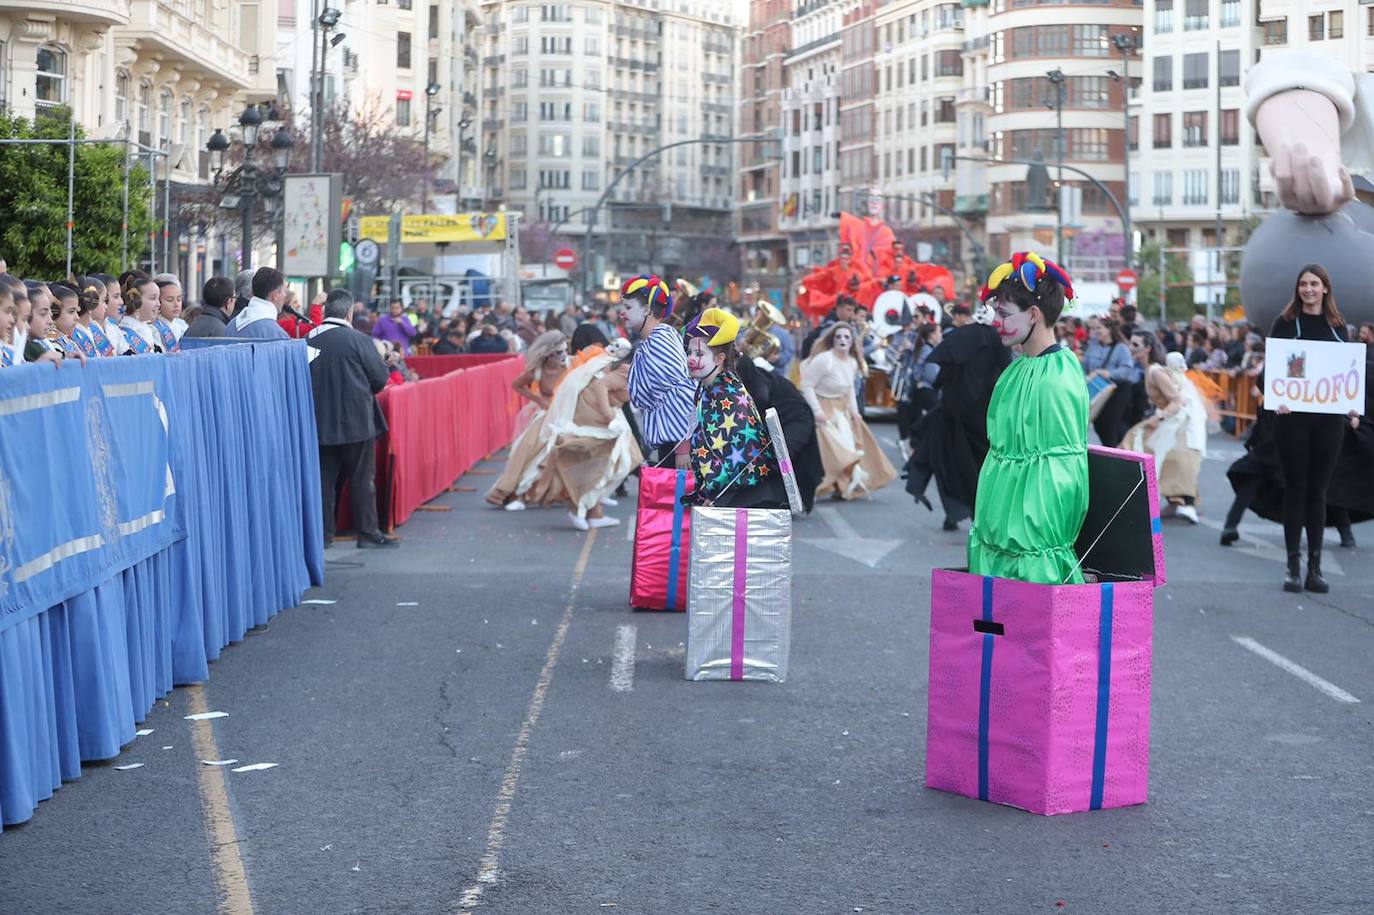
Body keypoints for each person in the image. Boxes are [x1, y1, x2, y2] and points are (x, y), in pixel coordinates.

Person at [967, 252, 1088, 585]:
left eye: (1004, 313)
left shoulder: (1057, 377)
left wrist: (1030, 537)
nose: (995, 322)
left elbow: (1060, 469)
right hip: (1001, 529)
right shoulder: (1019, 367)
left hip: (1031, 541)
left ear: (1034, 314)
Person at [1267, 264, 1360, 593]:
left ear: (1325, 288)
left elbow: (1346, 372)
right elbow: (1276, 367)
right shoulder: (1285, 323)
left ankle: (1315, 568)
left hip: (1328, 422)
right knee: (1296, 490)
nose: (1308, 289)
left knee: (1318, 492)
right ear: (1298, 289)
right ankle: (1293, 565)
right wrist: (1277, 395)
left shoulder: (1338, 326)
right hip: (1291, 419)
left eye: (1314, 284)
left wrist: (1351, 401)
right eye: (1303, 284)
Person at [306, 289, 399, 549]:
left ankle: (322, 536)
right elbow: (379, 380)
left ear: (326, 312)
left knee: (323, 482)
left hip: (318, 422)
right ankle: (367, 533)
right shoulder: (359, 340)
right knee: (361, 480)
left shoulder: (308, 339)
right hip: (357, 422)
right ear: (349, 313)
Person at [905, 303, 1010, 530]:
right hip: (983, 413)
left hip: (953, 410)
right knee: (980, 464)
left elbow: (941, 374)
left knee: (950, 460)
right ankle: (974, 510)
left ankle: (954, 511)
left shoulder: (958, 336)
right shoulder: (997, 340)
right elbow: (1006, 372)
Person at [682, 307, 786, 509]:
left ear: (719, 359)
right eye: (689, 352)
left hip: (739, 497)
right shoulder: (709, 387)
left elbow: (741, 456)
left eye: (699, 353)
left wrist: (717, 497)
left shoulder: (726, 393)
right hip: (724, 492)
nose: (690, 359)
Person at [800, 322, 897, 500]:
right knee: (835, 453)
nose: (842, 340)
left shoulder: (852, 363)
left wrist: (854, 411)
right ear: (832, 340)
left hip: (841, 409)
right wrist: (817, 411)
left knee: (848, 449)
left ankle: (842, 487)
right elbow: (807, 385)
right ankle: (823, 486)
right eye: (838, 337)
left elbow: (850, 388)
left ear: (852, 341)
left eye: (846, 337)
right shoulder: (825, 360)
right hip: (824, 409)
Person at [1120, 344, 1208, 524]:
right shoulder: (1152, 370)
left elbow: (1178, 400)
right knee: (1165, 456)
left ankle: (1184, 503)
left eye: (1137, 345)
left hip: (1181, 420)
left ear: (1148, 349)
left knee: (1148, 448)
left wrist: (1159, 417)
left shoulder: (1155, 372)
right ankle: (1175, 502)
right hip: (1175, 419)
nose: (1132, 348)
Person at [486, 331, 572, 510]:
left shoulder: (572, 365)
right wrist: (539, 400)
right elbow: (516, 385)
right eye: (559, 352)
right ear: (548, 354)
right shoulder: (538, 372)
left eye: (565, 350)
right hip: (546, 417)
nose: (563, 355)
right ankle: (518, 495)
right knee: (527, 452)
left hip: (568, 417)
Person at [621, 274, 695, 468]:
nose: (623, 313)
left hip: (677, 445)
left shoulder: (659, 340)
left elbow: (683, 394)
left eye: (628, 307)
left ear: (646, 309)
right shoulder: (654, 340)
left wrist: (682, 449)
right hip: (671, 443)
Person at [1081, 317, 1140, 447]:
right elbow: (1084, 366)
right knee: (1098, 423)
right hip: (1098, 389)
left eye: (1099, 328)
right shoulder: (1093, 346)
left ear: (1109, 329)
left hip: (1117, 390)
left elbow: (1127, 370)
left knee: (1110, 423)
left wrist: (1109, 373)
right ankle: (1114, 450)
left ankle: (1115, 452)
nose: (1095, 331)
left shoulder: (1121, 348)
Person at [227, 268, 290, 340]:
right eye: (284, 291)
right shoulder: (277, 335)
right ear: (275, 295)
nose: (285, 295)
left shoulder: (231, 325)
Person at [119, 274, 165, 354]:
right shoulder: (124, 331)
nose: (158, 304)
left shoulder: (149, 328)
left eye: (158, 298)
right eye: (153, 298)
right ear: (137, 300)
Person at [153, 277, 183, 352]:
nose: (176, 304)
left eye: (179, 299)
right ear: (158, 301)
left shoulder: (181, 324)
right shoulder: (153, 329)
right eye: (170, 300)